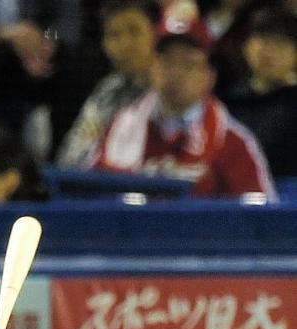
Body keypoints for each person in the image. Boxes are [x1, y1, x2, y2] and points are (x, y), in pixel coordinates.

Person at [91, 20, 278, 198]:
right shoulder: (121, 128)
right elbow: (90, 194)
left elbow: (261, 221)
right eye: (167, 62)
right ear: (152, 68)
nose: (176, 73)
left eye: (189, 64)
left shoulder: (233, 142)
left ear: (209, 76)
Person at [57, 0, 160, 169]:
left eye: (134, 32)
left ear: (155, 35)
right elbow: (69, 160)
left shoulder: (169, 91)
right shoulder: (106, 91)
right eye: (114, 35)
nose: (125, 44)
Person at [225, 8, 297, 179]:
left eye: (280, 44)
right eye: (263, 41)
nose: (270, 52)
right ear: (247, 47)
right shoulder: (227, 103)